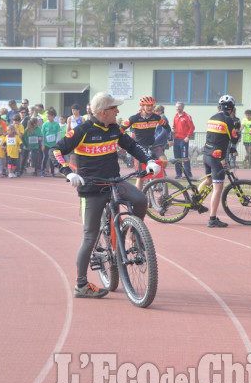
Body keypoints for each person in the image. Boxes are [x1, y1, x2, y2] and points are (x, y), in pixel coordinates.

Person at [49, 92, 160, 298]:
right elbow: (56, 150)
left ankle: (134, 236)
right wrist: (68, 172)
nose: (117, 111)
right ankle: (81, 285)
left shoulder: (115, 129)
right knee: (90, 236)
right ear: (102, 112)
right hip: (92, 188)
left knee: (141, 200)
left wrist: (148, 161)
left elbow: (132, 146)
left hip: (114, 182)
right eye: (114, 109)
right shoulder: (83, 130)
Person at [196, 96, 239, 228]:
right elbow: (234, 139)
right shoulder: (229, 120)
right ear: (231, 108)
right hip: (217, 157)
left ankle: (195, 200)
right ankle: (212, 218)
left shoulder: (212, 118)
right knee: (218, 188)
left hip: (206, 154)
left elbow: (218, 136)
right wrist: (236, 129)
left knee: (208, 180)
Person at [121, 95, 171, 190]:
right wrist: (125, 140)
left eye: (151, 105)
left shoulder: (156, 117)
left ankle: (154, 177)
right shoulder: (134, 118)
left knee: (164, 161)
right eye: (147, 105)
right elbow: (121, 129)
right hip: (139, 146)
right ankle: (138, 198)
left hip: (153, 144)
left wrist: (170, 139)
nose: (150, 107)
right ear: (142, 106)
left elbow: (167, 127)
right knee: (140, 176)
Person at [171, 101, 195, 178]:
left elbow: (192, 127)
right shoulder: (175, 116)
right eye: (177, 107)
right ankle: (178, 174)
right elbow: (174, 127)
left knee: (184, 158)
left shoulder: (187, 116)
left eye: (179, 106)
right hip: (176, 140)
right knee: (177, 158)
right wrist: (173, 131)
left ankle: (188, 174)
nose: (178, 108)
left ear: (183, 107)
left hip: (183, 140)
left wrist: (188, 136)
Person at [40, 107, 60, 177]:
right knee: (45, 157)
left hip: (53, 144)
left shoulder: (57, 124)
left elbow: (58, 134)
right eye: (47, 116)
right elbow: (43, 134)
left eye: (49, 116)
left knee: (52, 158)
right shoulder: (45, 124)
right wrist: (43, 144)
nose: (47, 117)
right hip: (46, 144)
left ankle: (52, 172)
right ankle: (42, 171)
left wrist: (57, 144)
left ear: (53, 116)